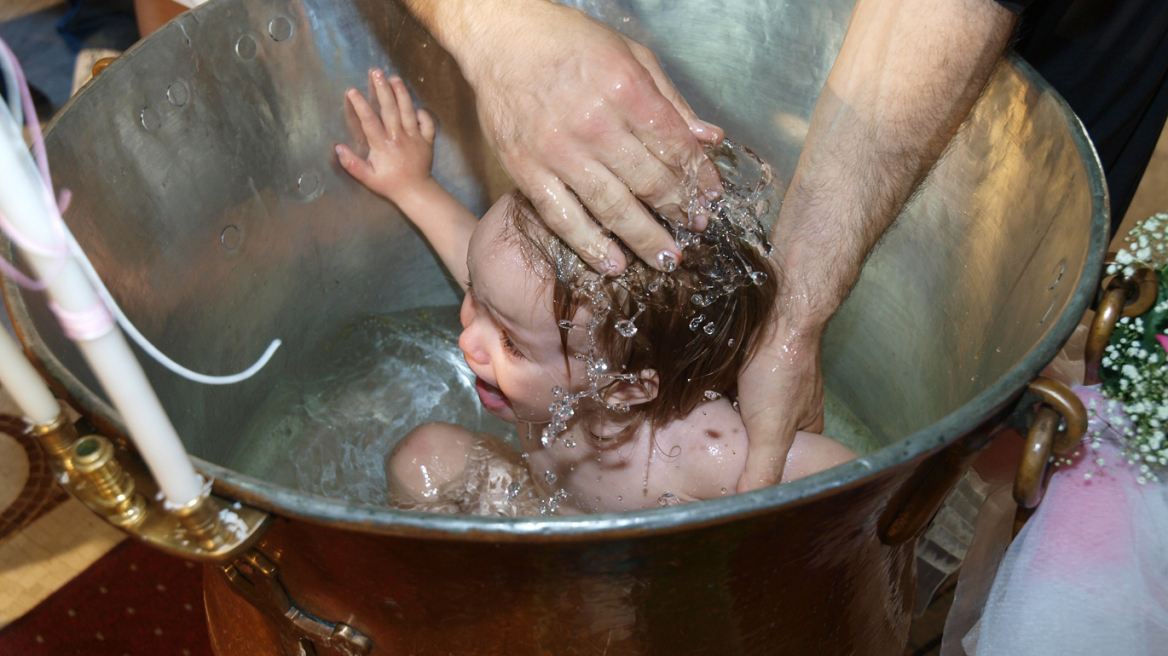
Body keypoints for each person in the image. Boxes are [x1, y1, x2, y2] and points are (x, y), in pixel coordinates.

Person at [335, 71, 857, 514]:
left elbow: (846, 476)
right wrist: (411, 185)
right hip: (539, 511)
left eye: (511, 345)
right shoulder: (532, 313)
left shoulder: (694, 445)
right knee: (421, 459)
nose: (470, 340)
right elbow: (464, 247)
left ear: (624, 388)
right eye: (477, 296)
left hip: (633, 572)